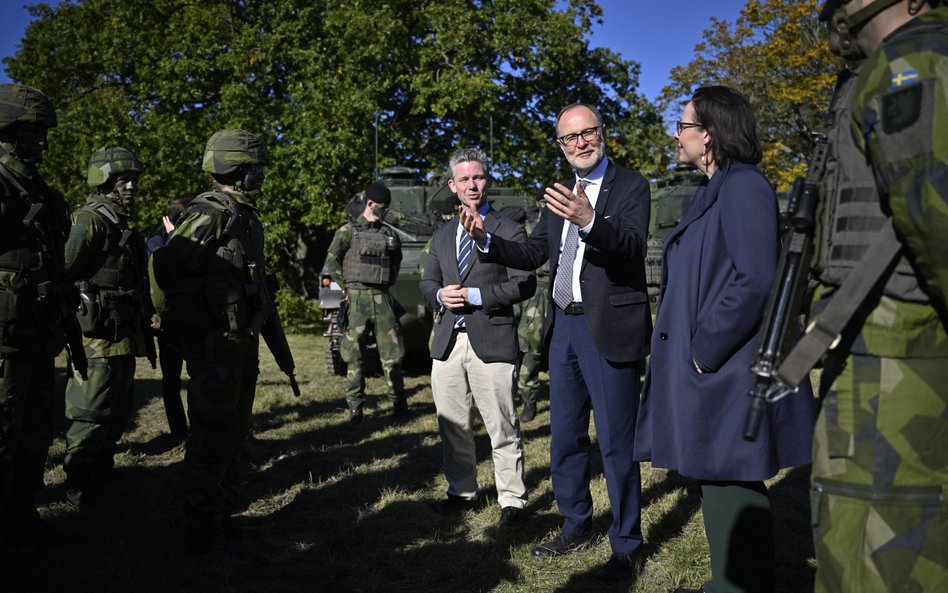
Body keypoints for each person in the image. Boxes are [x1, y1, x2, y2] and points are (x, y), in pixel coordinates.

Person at [633, 86, 816, 593]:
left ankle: (742, 585)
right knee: (716, 474)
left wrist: (702, 349)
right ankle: (730, 581)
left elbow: (756, 278)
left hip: (728, 366)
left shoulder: (744, 187)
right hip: (715, 369)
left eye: (684, 125)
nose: (676, 134)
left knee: (732, 475)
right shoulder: (716, 188)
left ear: (709, 133)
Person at [461, 103, 651, 584]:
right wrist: (487, 240)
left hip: (608, 327)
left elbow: (630, 245)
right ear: (562, 146)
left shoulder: (631, 186)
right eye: (571, 138)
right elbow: (532, 252)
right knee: (565, 437)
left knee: (615, 443)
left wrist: (589, 220)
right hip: (564, 326)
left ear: (602, 134)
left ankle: (627, 545)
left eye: (588, 133)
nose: (581, 143)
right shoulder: (558, 192)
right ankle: (576, 524)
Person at [809, 2, 948, 591]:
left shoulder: (915, 61)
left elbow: (937, 220)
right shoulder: (891, 66)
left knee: (885, 559)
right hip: (880, 355)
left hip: (904, 362)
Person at [150, 128, 277, 550]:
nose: (261, 174)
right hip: (215, 344)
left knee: (234, 429)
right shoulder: (212, 212)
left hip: (239, 340)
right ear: (235, 170)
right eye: (254, 168)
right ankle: (201, 528)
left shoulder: (242, 213)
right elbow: (167, 266)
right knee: (211, 433)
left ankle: (223, 514)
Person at [420, 147, 534, 530]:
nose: (472, 184)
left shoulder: (509, 229)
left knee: (502, 425)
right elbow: (427, 281)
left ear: (488, 181)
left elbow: (525, 283)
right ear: (452, 185)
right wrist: (439, 295)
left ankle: (512, 501)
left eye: (478, 177)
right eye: (464, 179)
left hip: (493, 338)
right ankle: (461, 493)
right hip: (448, 342)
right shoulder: (441, 235)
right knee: (453, 425)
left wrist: (477, 296)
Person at [62, 147, 154, 509]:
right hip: (97, 335)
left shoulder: (120, 222)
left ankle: (101, 469)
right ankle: (78, 484)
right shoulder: (89, 220)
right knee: (90, 410)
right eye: (122, 180)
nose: (131, 186)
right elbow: (65, 270)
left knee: (119, 407)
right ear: (103, 181)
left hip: (123, 331)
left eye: (134, 179)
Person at [0, 83, 70, 546]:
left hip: (38, 332)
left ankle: (20, 514)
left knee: (35, 431)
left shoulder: (40, 191)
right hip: (4, 337)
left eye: (43, 132)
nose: (41, 142)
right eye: (31, 132)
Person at [321, 182, 406, 424]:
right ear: (370, 204)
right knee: (354, 357)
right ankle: (355, 408)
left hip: (382, 300)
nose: (385, 211)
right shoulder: (347, 231)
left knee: (393, 356)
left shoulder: (391, 235)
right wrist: (347, 287)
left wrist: (385, 283)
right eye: (382, 207)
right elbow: (331, 264)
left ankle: (399, 405)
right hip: (356, 300)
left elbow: (396, 264)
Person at [145, 195, 194, 438]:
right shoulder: (156, 243)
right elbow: (163, 269)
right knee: (171, 381)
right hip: (168, 324)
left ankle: (199, 426)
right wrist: (174, 237)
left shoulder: (195, 244)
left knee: (198, 375)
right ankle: (179, 431)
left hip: (193, 322)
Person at [515, 195, 549, 423]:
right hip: (534, 294)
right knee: (531, 349)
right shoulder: (527, 229)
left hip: (565, 292)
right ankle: (529, 400)